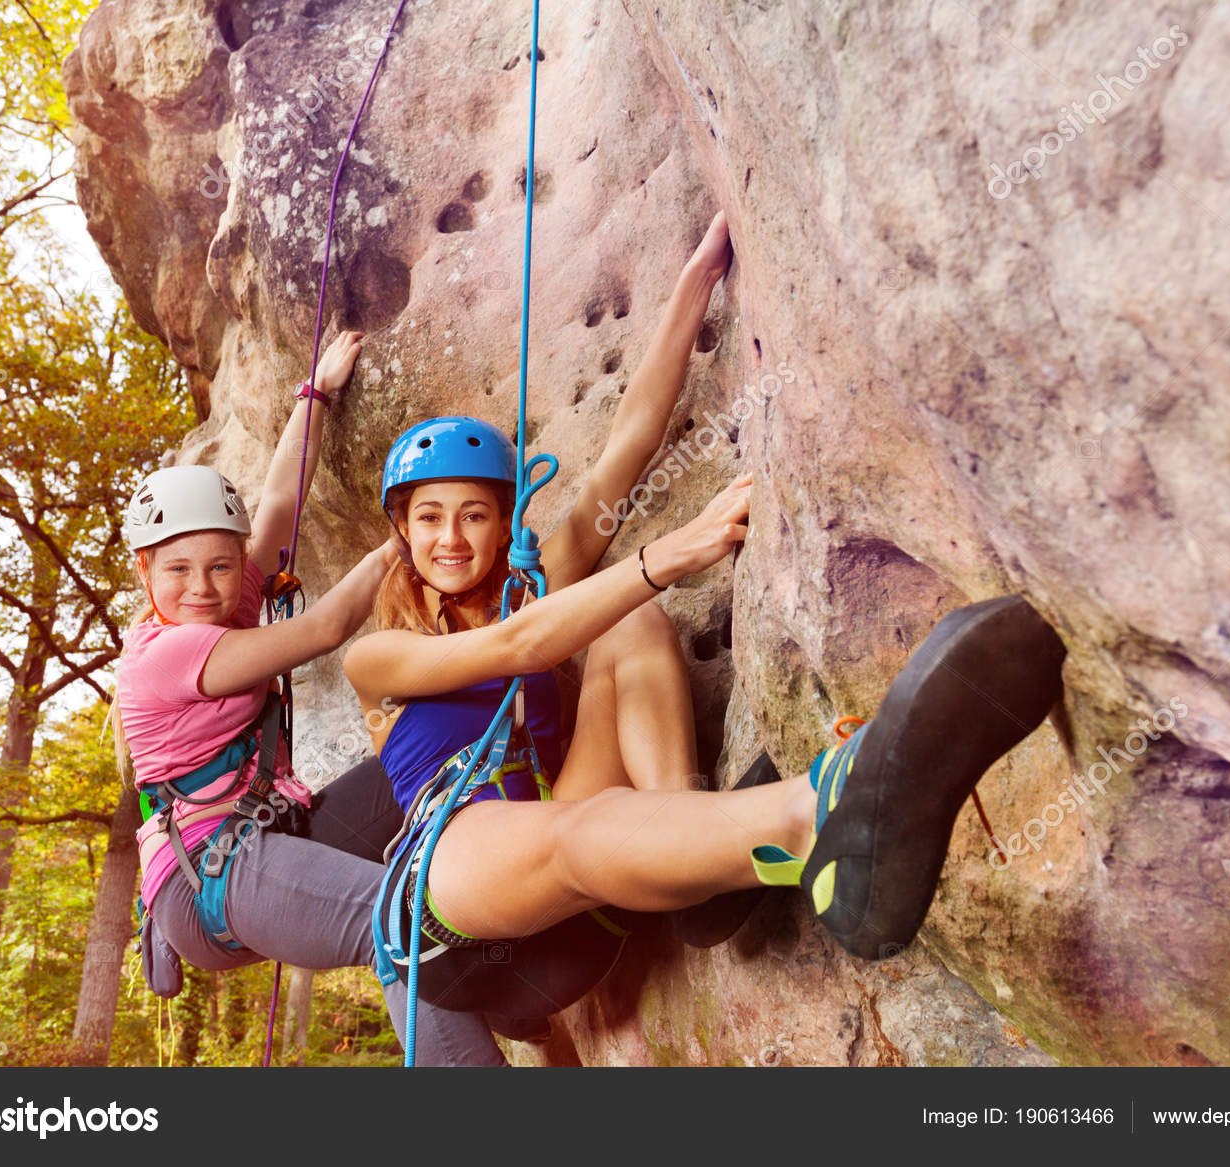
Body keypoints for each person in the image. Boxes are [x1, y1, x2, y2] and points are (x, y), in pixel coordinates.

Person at [346, 219, 1068, 1000]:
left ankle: (692, 847)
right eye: (428, 517)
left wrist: (697, 279)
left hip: (560, 815)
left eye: (474, 514)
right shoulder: (377, 656)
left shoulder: (534, 584)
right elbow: (518, 647)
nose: (451, 537)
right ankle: (819, 813)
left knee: (626, 624)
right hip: (453, 868)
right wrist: (668, 557)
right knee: (580, 826)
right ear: (402, 529)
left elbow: (628, 449)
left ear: (502, 520)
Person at [111, 328, 505, 1066]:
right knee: (399, 920)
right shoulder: (174, 653)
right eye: (178, 570)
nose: (203, 587)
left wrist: (315, 391)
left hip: (269, 835)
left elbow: (282, 501)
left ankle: (507, 958)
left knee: (433, 763)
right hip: (214, 879)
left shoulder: (222, 600)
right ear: (144, 572)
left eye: (221, 566)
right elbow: (325, 626)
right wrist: (401, 540)